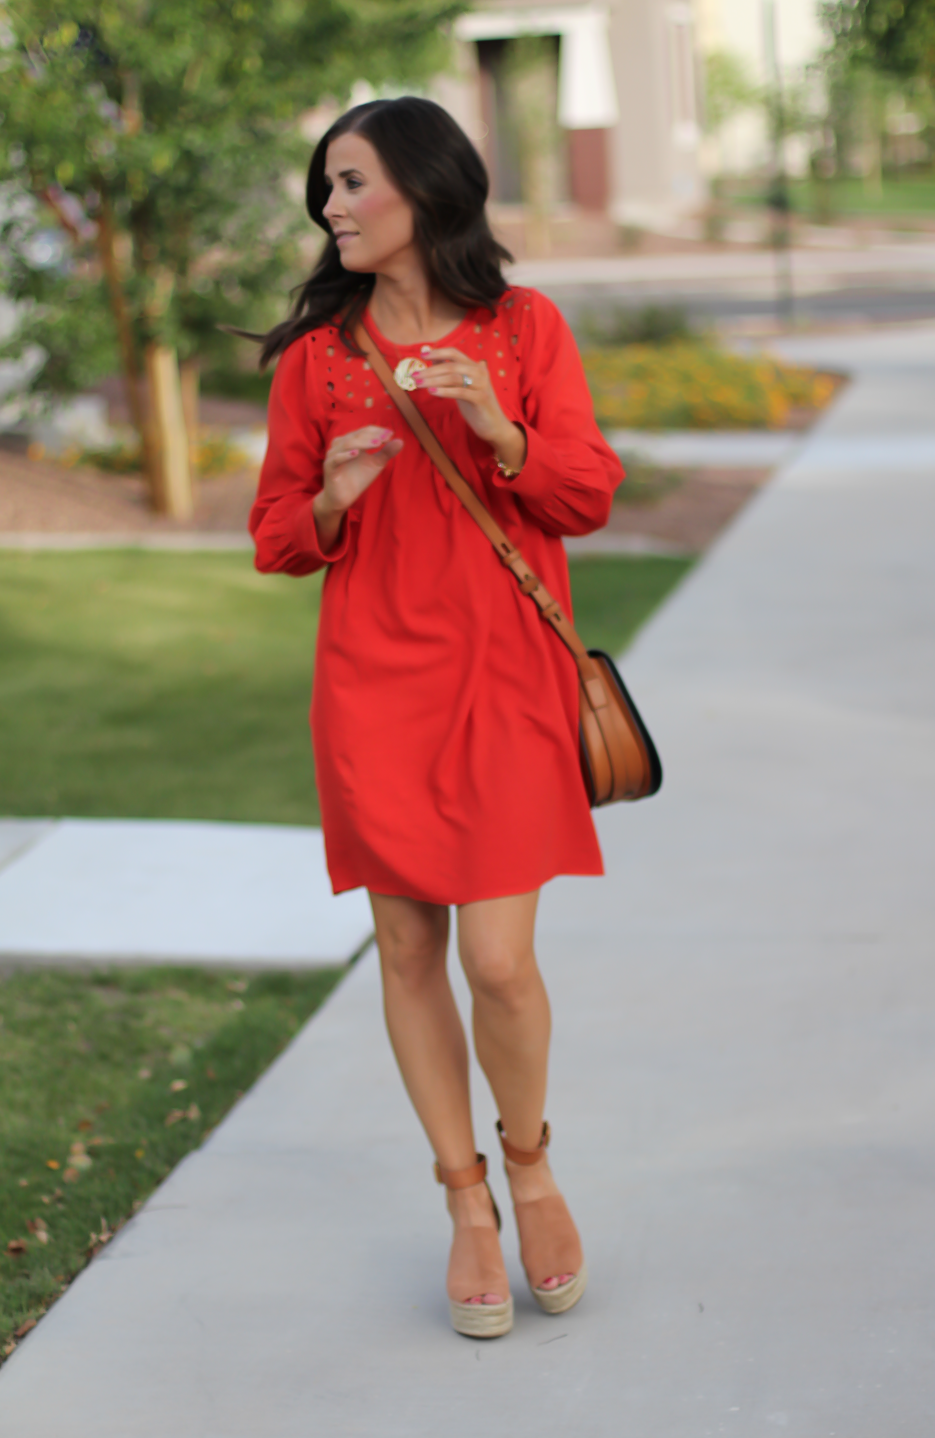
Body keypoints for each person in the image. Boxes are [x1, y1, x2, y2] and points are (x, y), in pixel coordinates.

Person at [249, 97, 623, 1339]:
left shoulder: (526, 329)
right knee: (410, 951)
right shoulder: (320, 359)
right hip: (373, 684)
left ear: (425, 190)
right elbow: (274, 535)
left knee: (500, 962)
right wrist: (337, 501)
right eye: (327, 188)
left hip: (507, 680)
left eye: (351, 183)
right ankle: (466, 1202)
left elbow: (585, 496)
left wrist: (498, 430)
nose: (331, 208)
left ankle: (532, 1165)